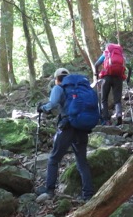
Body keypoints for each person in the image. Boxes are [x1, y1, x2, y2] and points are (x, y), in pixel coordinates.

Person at [36, 68, 95, 201]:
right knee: (82, 162)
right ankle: (88, 194)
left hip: (67, 127)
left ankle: (49, 191)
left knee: (54, 159)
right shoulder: (79, 89)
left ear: (57, 78)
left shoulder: (59, 87)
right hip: (81, 126)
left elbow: (52, 104)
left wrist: (42, 108)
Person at [95, 43, 131, 126]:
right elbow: (129, 68)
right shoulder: (121, 55)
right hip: (118, 78)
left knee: (104, 99)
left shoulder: (106, 53)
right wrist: (128, 79)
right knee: (117, 100)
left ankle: (106, 120)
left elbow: (96, 64)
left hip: (106, 77)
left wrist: (96, 75)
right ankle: (119, 116)